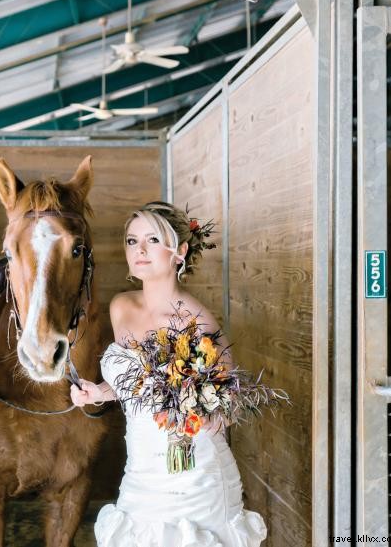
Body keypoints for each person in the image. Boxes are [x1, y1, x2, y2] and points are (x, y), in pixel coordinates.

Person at [70, 201, 267, 546]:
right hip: (141, 471)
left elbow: (230, 408)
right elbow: (134, 383)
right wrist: (100, 391)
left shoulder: (197, 322)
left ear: (180, 251)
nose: (140, 250)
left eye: (152, 240)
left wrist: (198, 418)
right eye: (132, 241)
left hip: (193, 473)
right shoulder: (121, 307)